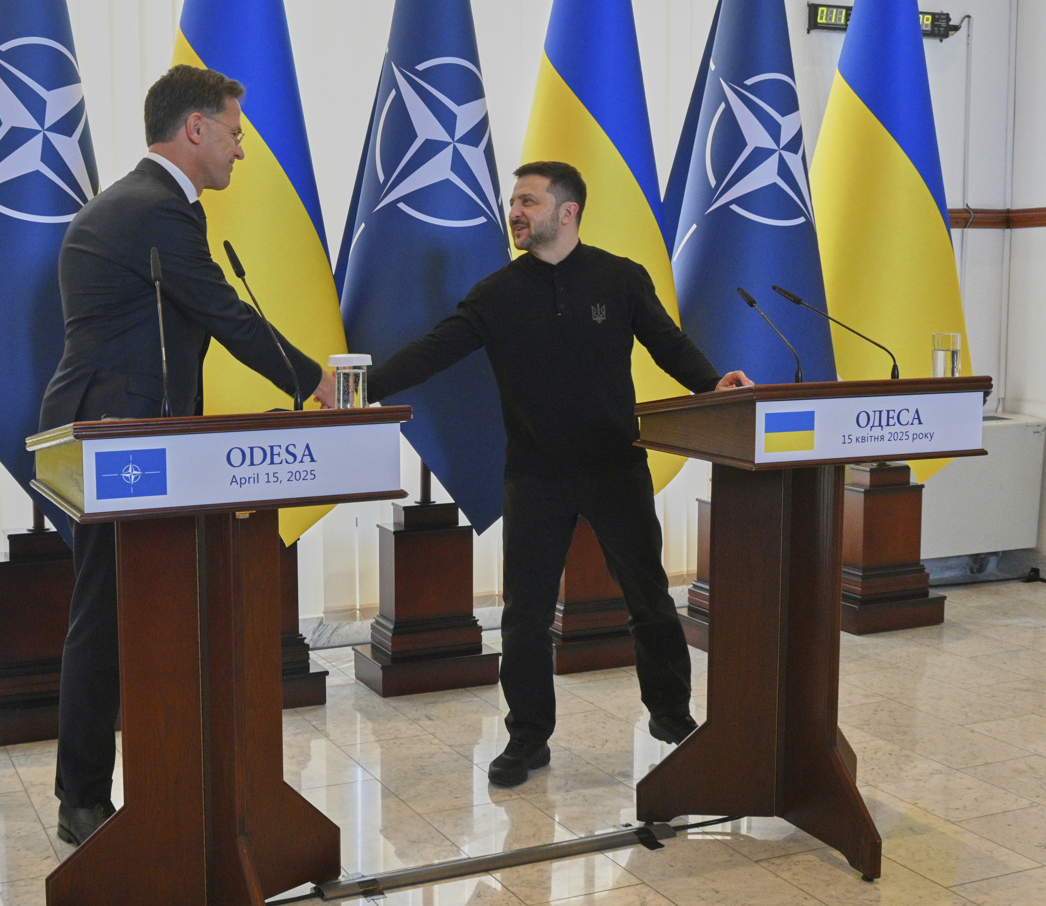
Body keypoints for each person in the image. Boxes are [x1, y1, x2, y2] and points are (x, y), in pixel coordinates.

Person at [366, 161, 751, 787]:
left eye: (528, 202)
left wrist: (712, 383)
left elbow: (668, 344)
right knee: (525, 615)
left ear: (567, 212)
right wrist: (361, 389)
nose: (515, 213)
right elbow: (433, 350)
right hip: (535, 475)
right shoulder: (495, 293)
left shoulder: (620, 278)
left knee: (650, 600)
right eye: (513, 202)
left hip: (615, 466)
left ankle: (673, 716)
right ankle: (527, 738)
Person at [38, 64, 335, 844]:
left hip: (119, 430)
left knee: (131, 607)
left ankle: (148, 782)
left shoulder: (141, 203)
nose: (241, 149)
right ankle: (81, 799)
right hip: (117, 437)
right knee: (107, 614)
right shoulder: (155, 209)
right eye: (234, 133)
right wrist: (316, 381)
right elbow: (225, 314)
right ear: (195, 128)